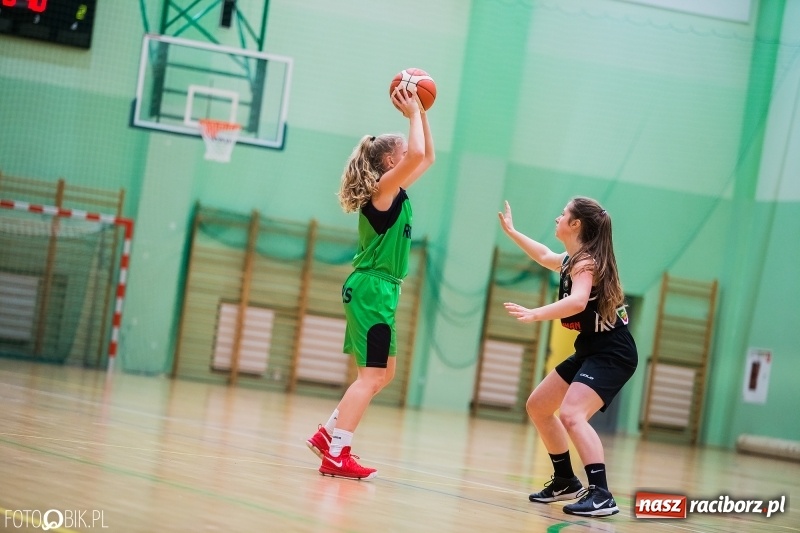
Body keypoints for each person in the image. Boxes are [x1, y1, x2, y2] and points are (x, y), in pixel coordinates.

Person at [305, 87, 435, 480]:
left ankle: (327, 435)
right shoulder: (383, 191)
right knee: (370, 376)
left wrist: (422, 112)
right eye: (401, 152)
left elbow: (426, 156)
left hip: (380, 289)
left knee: (385, 373)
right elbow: (416, 154)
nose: (408, 155)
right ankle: (337, 453)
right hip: (373, 289)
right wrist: (412, 113)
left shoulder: (395, 191)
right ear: (389, 161)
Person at [497, 197, 637, 517]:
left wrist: (536, 314)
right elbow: (544, 255)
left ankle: (601, 494)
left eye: (563, 214)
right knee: (539, 405)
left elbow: (576, 302)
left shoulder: (586, 263)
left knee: (572, 414)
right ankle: (565, 480)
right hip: (591, 348)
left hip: (613, 352)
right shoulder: (570, 258)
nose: (558, 217)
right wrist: (513, 232)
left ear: (575, 225)